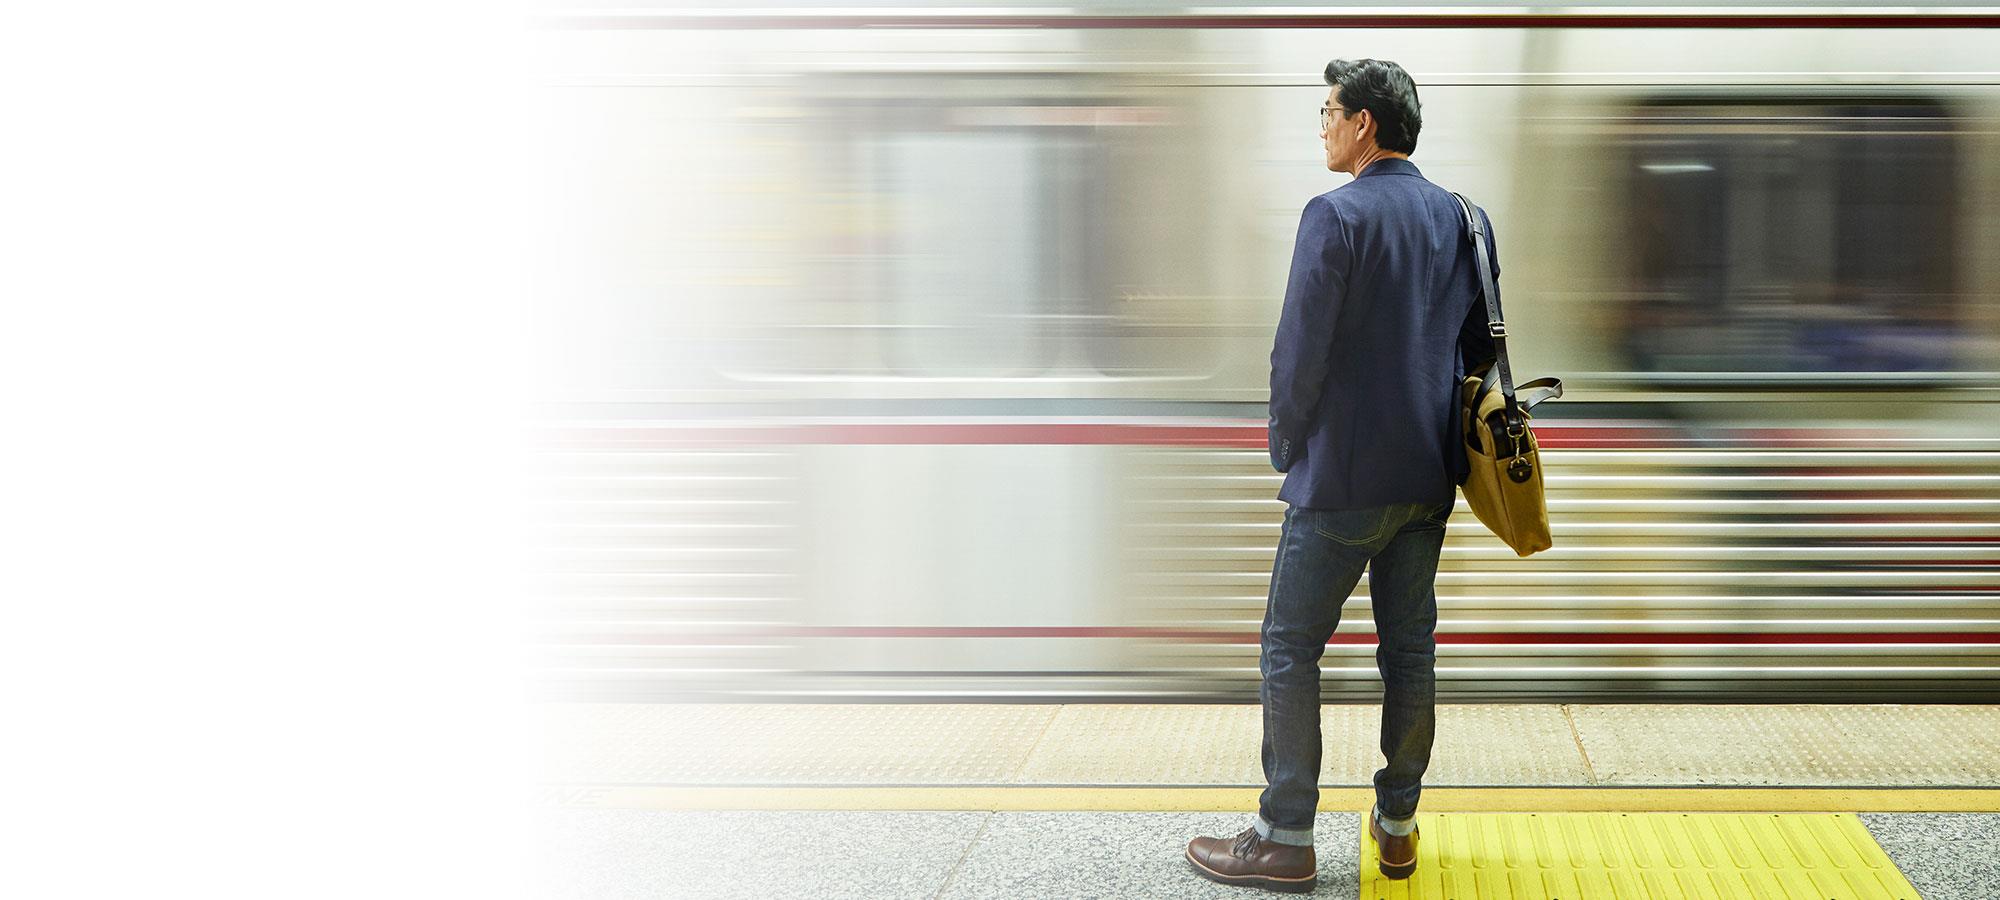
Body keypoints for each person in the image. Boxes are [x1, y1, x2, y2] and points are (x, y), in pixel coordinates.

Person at [1184, 57, 1499, 892]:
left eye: (1328, 112)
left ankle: (1285, 835)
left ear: (1364, 123)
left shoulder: (1335, 216)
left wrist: (1286, 446)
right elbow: (1477, 352)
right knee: (1410, 651)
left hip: (1341, 482)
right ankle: (1397, 827)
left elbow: (1299, 352)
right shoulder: (1465, 219)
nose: (1322, 126)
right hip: (1427, 480)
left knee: (1290, 647)